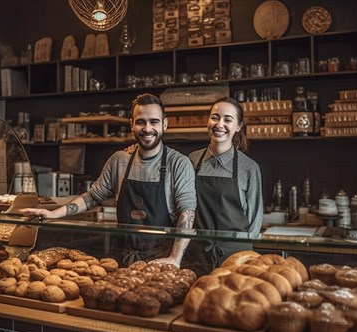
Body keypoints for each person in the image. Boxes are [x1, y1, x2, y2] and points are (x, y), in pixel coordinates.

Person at [21, 93, 196, 267]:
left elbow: (187, 213)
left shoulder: (178, 163)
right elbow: (93, 197)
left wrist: (174, 259)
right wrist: (53, 214)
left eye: (154, 122)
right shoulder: (119, 160)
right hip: (122, 259)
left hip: (161, 261)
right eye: (141, 122)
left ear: (164, 124)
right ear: (132, 124)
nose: (147, 128)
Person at [182, 96, 264, 276]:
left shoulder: (249, 168)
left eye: (228, 119)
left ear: (238, 127)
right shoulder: (191, 161)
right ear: (208, 121)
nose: (219, 124)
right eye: (215, 117)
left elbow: (254, 223)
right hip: (196, 256)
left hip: (236, 259)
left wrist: (243, 258)